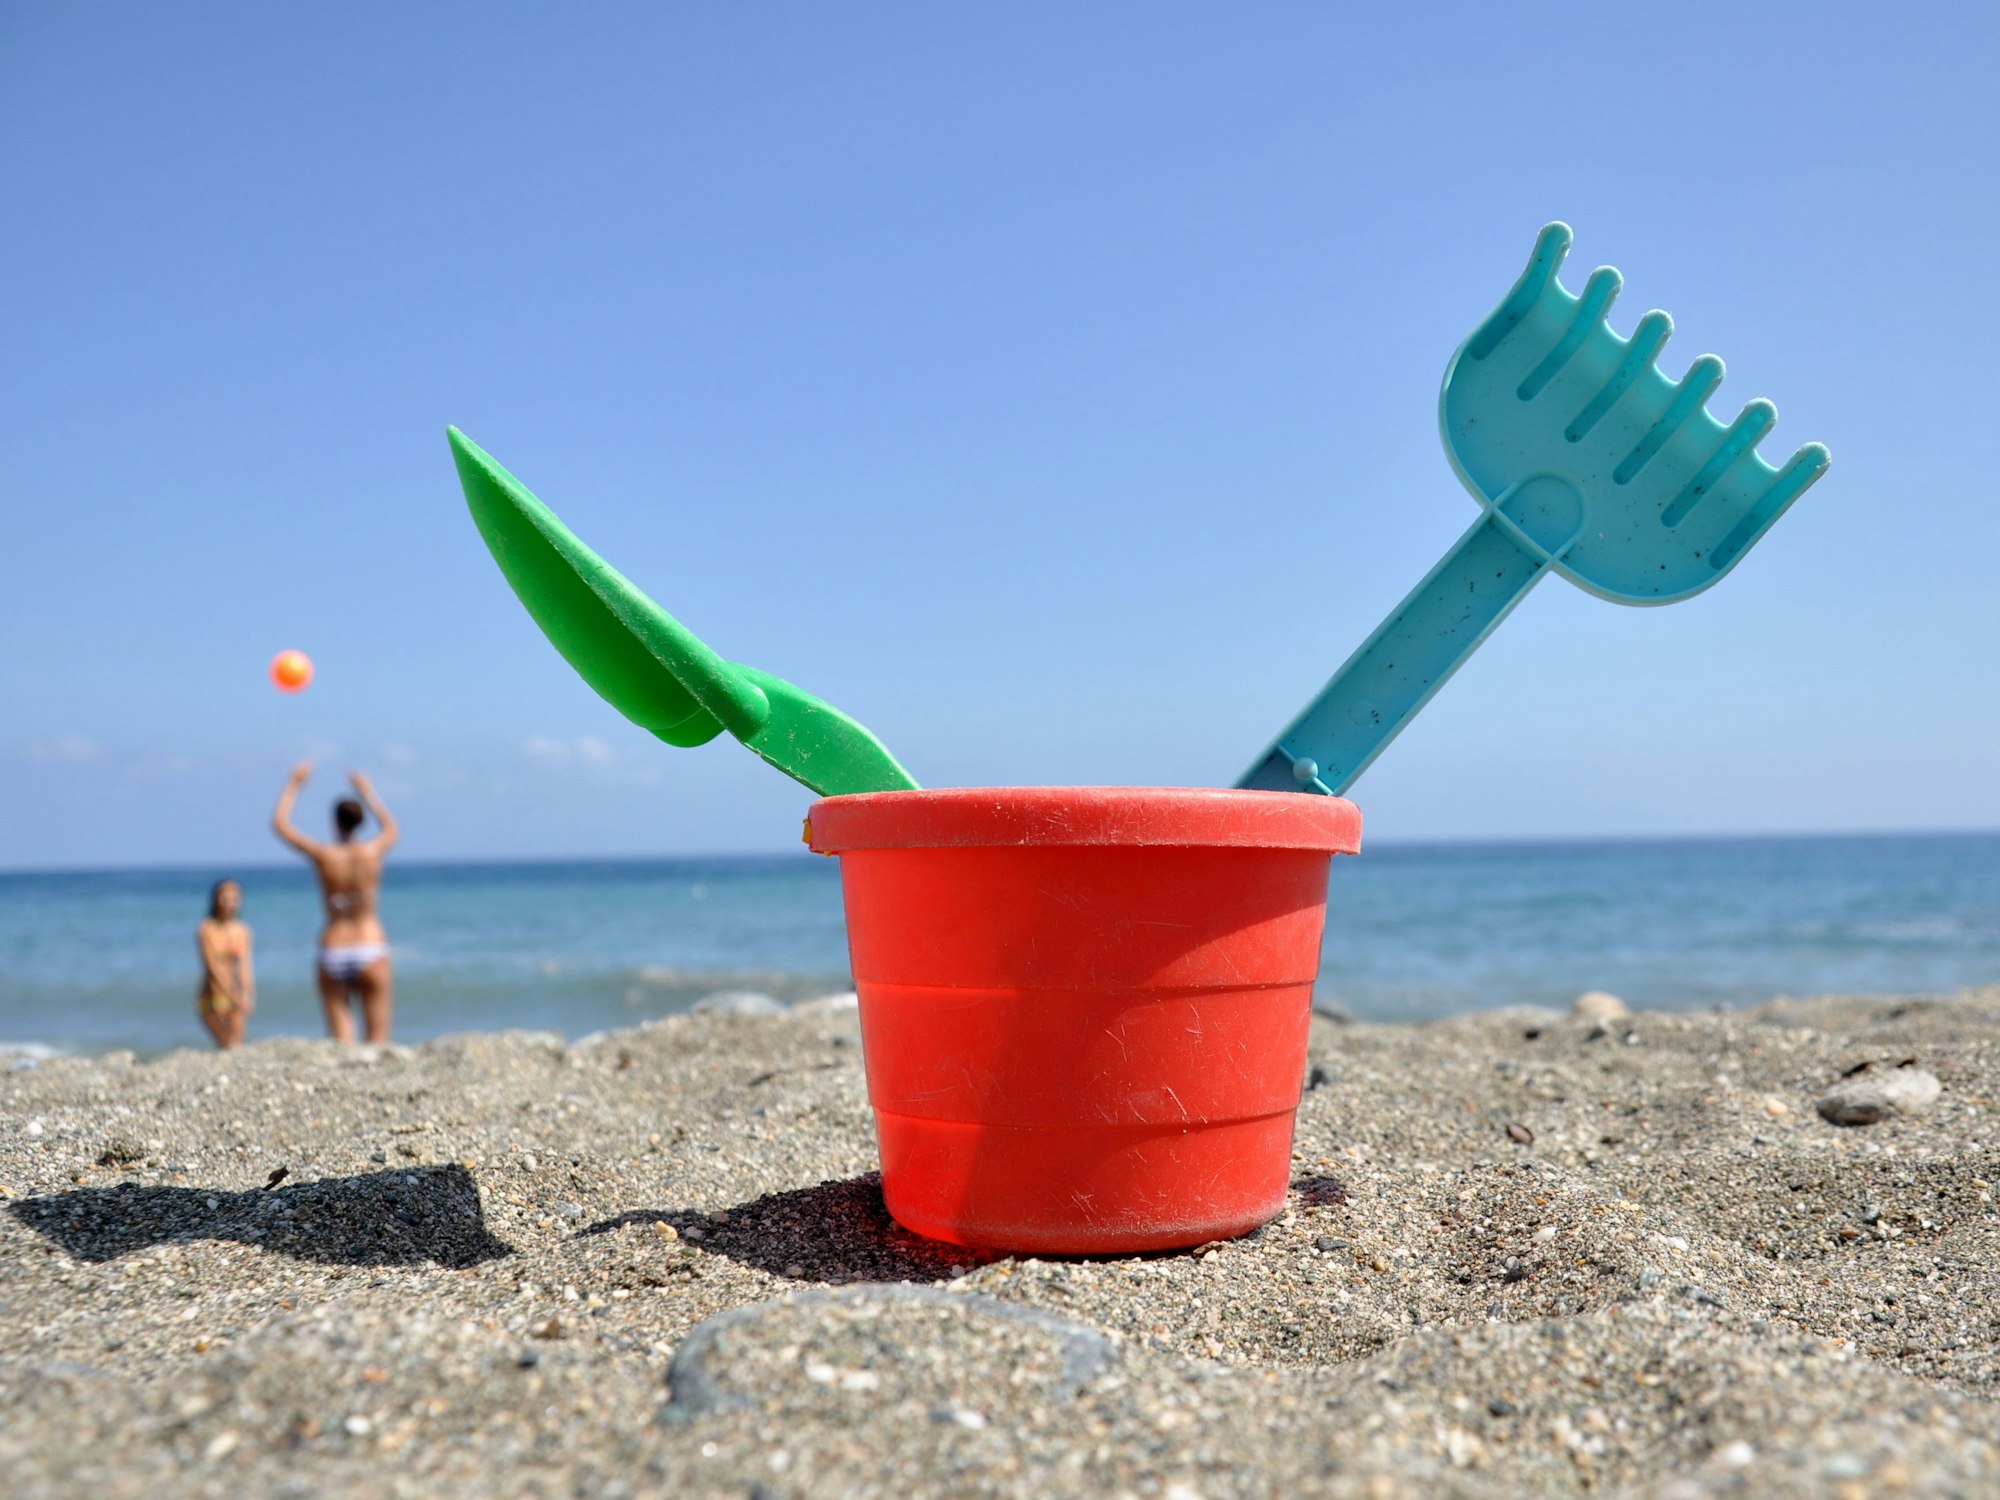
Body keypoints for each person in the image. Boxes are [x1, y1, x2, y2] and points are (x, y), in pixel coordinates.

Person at [273, 763, 399, 1043]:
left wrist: (295, 784)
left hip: (334, 948)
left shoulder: (325, 855)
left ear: (335, 822)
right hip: (370, 944)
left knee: (342, 1041)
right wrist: (367, 792)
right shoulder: (372, 853)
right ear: (361, 822)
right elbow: (392, 829)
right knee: (378, 1041)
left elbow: (280, 825)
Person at [195, 878, 254, 1048]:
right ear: (216, 899)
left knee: (236, 1043)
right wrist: (230, 991)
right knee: (226, 1042)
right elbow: (211, 965)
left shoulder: (243, 930)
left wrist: (248, 993)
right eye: (225, 897)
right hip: (212, 994)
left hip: (236, 993)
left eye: (234, 898)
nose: (229, 902)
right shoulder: (206, 928)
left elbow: (245, 966)